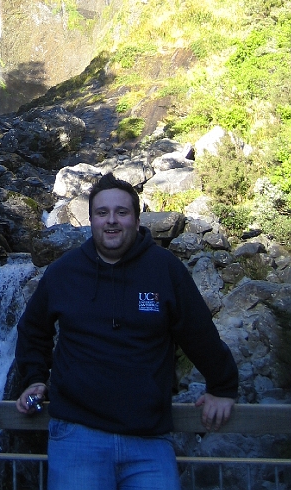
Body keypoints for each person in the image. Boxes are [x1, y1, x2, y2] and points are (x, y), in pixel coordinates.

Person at [15, 172, 238, 490]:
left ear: (136, 218)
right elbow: (33, 329)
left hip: (148, 440)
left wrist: (222, 386)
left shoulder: (165, 269)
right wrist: (35, 378)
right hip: (77, 436)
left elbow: (198, 332)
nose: (111, 221)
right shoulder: (64, 272)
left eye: (122, 212)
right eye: (102, 213)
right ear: (90, 220)